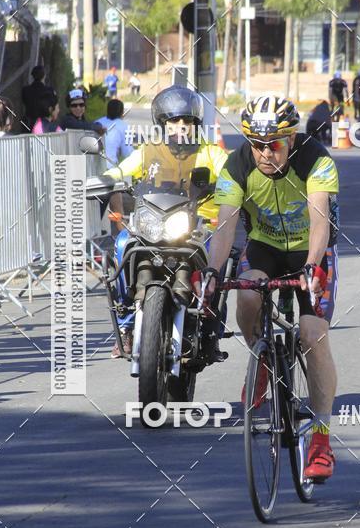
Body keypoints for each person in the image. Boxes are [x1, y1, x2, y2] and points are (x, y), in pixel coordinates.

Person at [196, 93, 340, 482]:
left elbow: (319, 221)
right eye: (256, 144)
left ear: (290, 139)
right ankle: (262, 359)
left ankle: (321, 439)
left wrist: (312, 266)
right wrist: (212, 272)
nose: (264, 153)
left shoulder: (316, 160)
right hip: (265, 246)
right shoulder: (237, 165)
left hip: (311, 250)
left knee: (312, 334)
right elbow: (225, 226)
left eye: (273, 145)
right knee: (246, 295)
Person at [104, 85, 228, 359]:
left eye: (187, 120)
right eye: (173, 120)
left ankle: (211, 328)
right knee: (123, 243)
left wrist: (236, 184)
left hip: (199, 226)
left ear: (196, 124)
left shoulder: (210, 152)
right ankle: (126, 325)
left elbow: (231, 174)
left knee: (217, 255)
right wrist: (100, 181)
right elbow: (120, 172)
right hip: (152, 224)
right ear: (162, 123)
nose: (180, 126)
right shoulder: (148, 151)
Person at [96, 98, 134, 164]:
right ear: (122, 112)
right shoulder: (124, 126)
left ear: (107, 110)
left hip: (92, 166)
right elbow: (128, 153)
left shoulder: (97, 122)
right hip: (110, 166)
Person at [21, 65, 54, 133]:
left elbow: (24, 102)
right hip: (43, 126)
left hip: (28, 124)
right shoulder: (49, 91)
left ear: (32, 76)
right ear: (44, 76)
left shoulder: (25, 90)